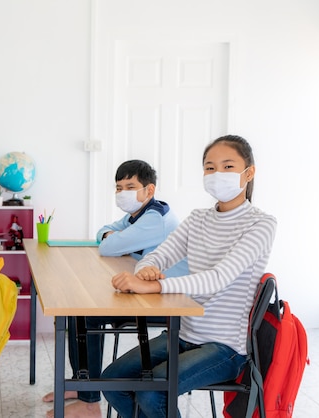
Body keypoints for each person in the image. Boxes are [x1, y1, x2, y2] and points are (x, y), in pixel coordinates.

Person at [101, 135, 277, 418]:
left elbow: (218, 278)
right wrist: (144, 269)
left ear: (249, 172)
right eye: (210, 167)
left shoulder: (261, 224)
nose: (217, 174)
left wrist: (155, 286)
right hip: (183, 334)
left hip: (224, 348)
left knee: (152, 391)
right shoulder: (198, 219)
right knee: (112, 381)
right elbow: (158, 255)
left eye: (227, 166)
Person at [44, 159, 189, 418]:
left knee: (87, 314)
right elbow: (104, 232)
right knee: (80, 314)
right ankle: (82, 387)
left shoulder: (155, 218)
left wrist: (114, 240)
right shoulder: (139, 213)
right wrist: (114, 238)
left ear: (149, 190)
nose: (123, 193)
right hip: (146, 290)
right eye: (119, 187)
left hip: (168, 299)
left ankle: (88, 400)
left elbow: (108, 246)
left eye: (130, 186)